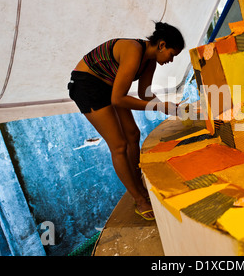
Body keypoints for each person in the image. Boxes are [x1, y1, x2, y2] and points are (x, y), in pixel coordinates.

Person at [68, 22, 185, 220]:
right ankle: (139, 199)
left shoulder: (150, 61)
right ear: (162, 45)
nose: (171, 60)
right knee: (119, 145)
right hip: (86, 86)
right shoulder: (133, 50)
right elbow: (118, 99)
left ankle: (138, 183)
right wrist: (158, 106)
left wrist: (169, 105)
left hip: (108, 86)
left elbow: (144, 94)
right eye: (172, 55)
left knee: (133, 134)